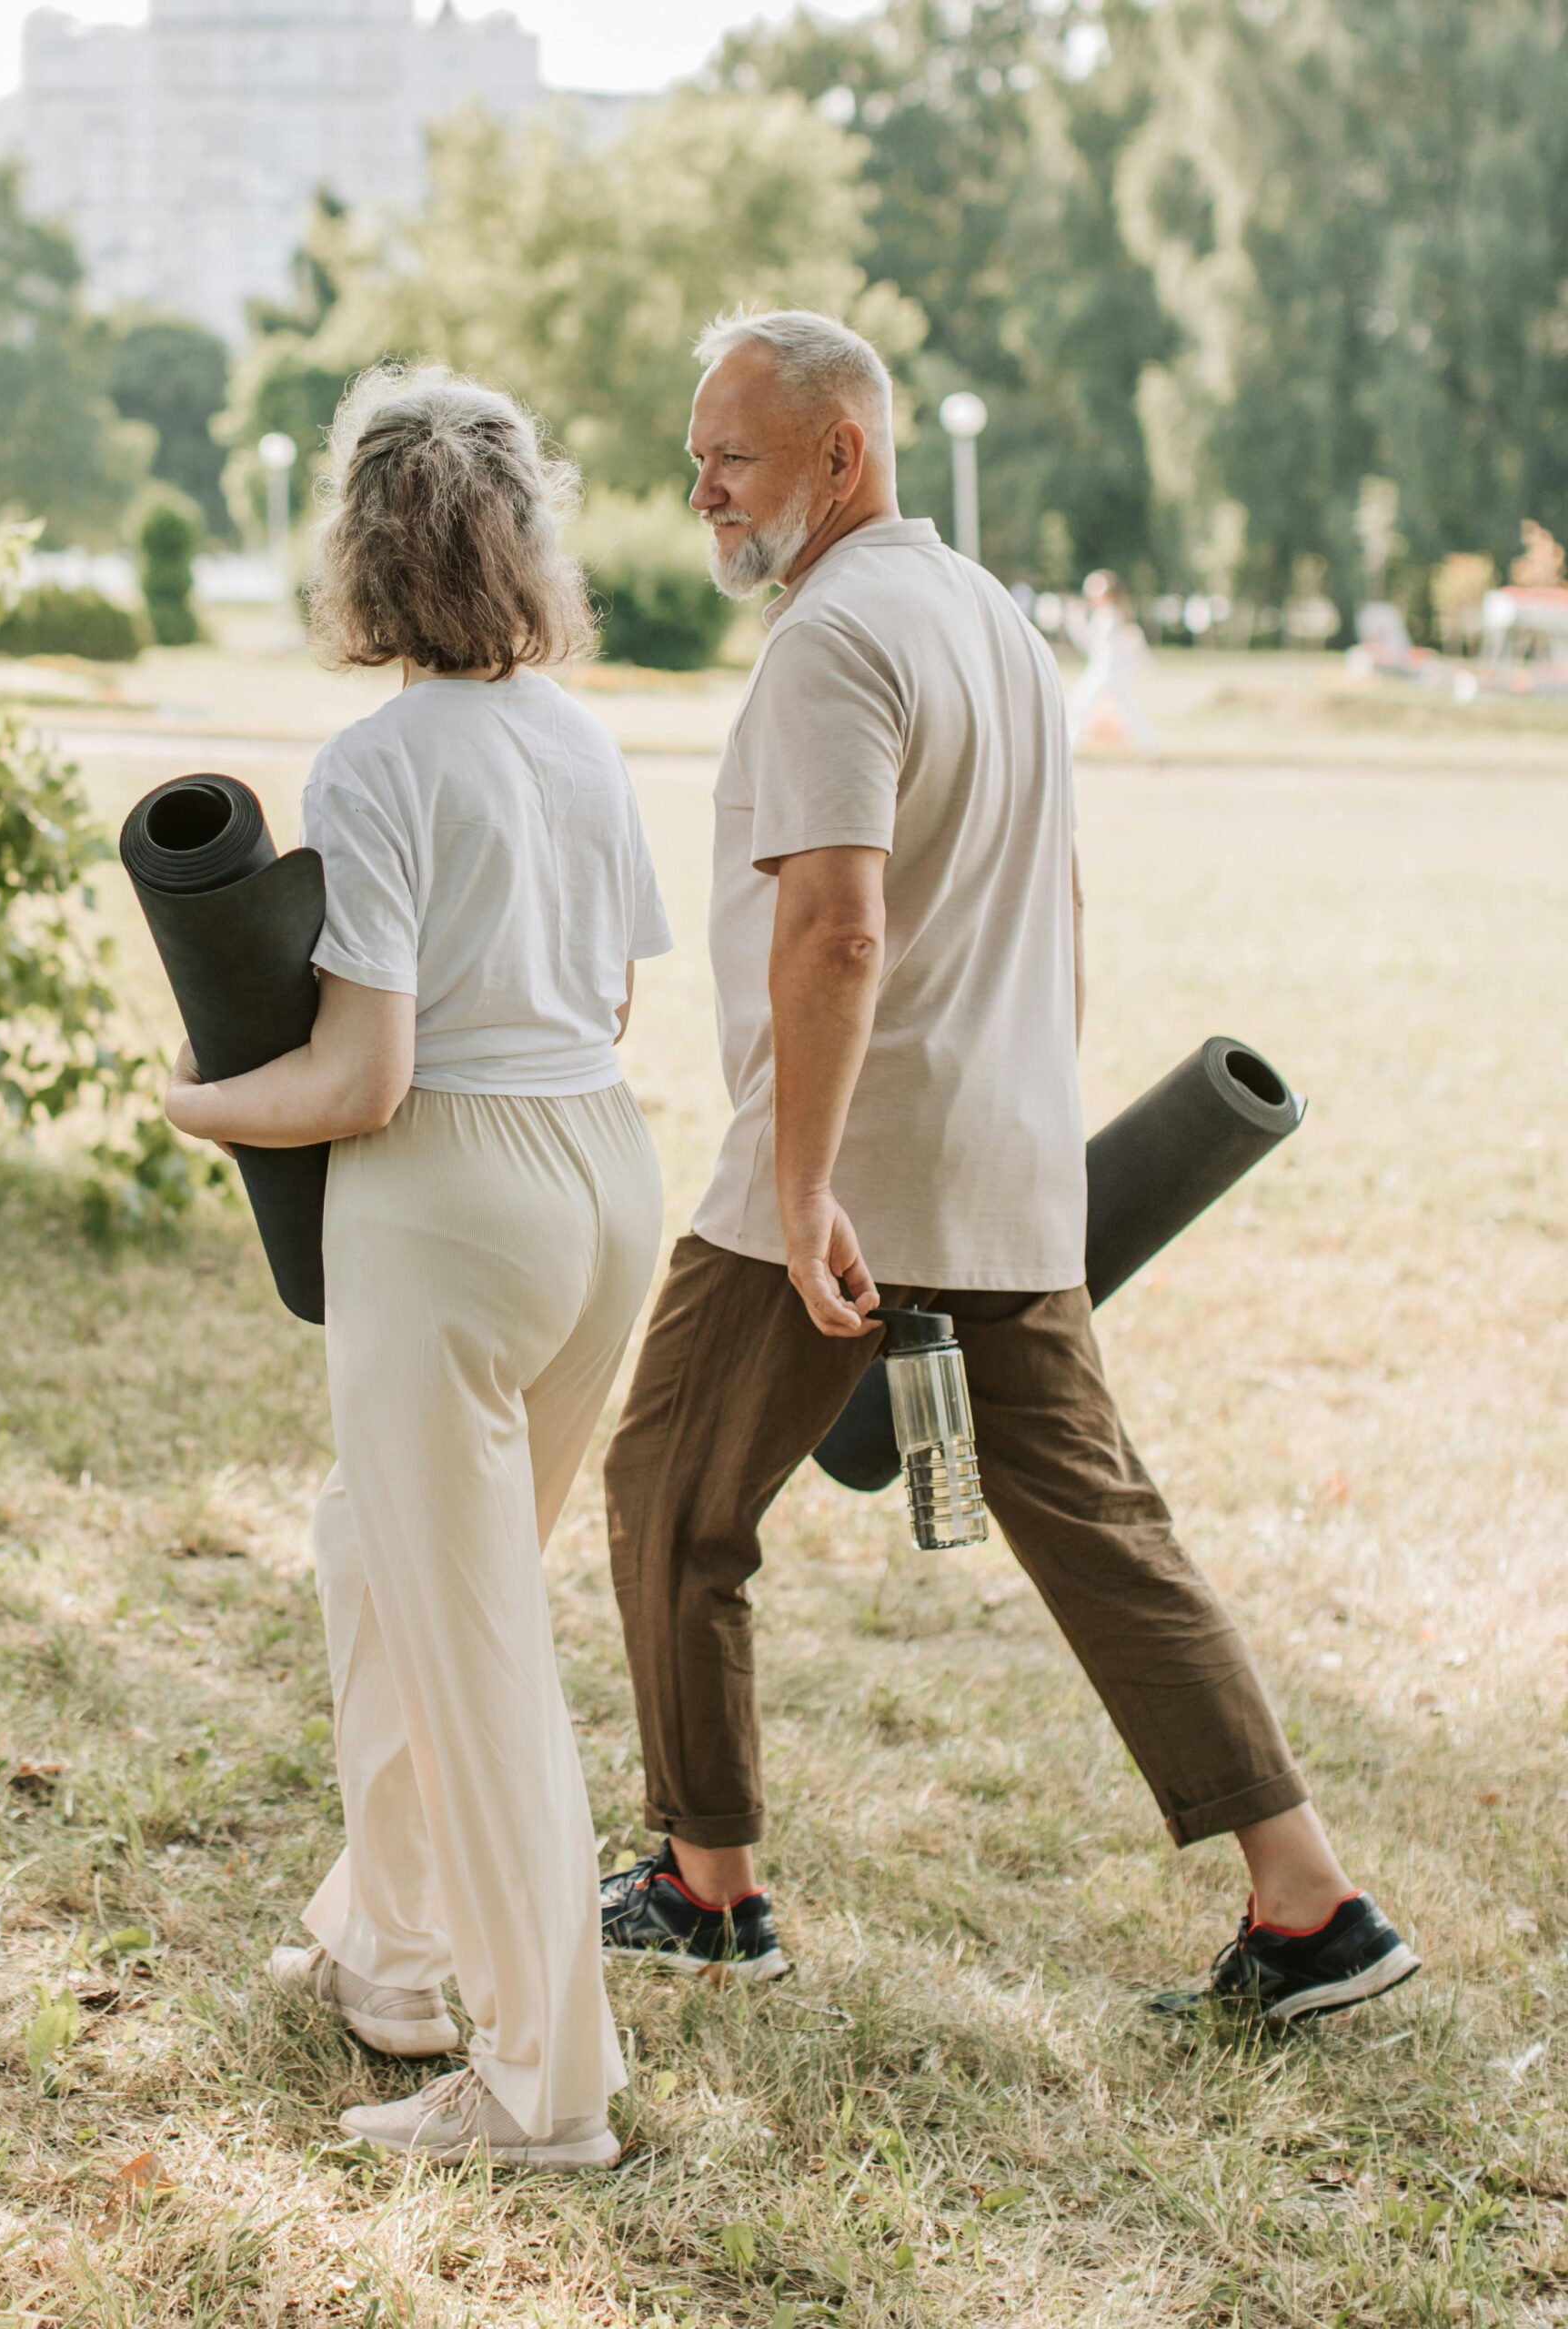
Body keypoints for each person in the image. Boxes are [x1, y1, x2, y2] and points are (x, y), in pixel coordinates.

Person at [597, 309, 1420, 2025]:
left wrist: (803, 1182)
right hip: (1001, 1166)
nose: (703, 494)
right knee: (1109, 1533)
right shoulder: (987, 616)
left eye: (732, 459)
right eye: (696, 459)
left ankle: (707, 1886)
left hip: (841, 1178)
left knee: (670, 1493)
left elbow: (834, 932)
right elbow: (1050, 905)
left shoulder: (831, 642)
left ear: (843, 456)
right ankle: (1310, 1905)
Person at [164, 365, 671, 2165]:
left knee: (470, 1644)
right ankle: (384, 1947)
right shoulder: (580, 735)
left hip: (447, 1194)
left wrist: (196, 1101)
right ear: (521, 536)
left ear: (359, 550)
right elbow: (605, 996)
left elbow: (362, 1073)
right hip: (606, 1177)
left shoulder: (373, 758)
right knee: (377, 1559)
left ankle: (542, 2090)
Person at [1066, 568, 1161, 759]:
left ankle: (1069, 747)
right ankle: (1150, 749)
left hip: (1106, 672)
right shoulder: (1111, 614)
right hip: (1110, 672)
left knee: (1081, 705)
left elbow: (1093, 643)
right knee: (1126, 710)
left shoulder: (1108, 615)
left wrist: (1074, 621)